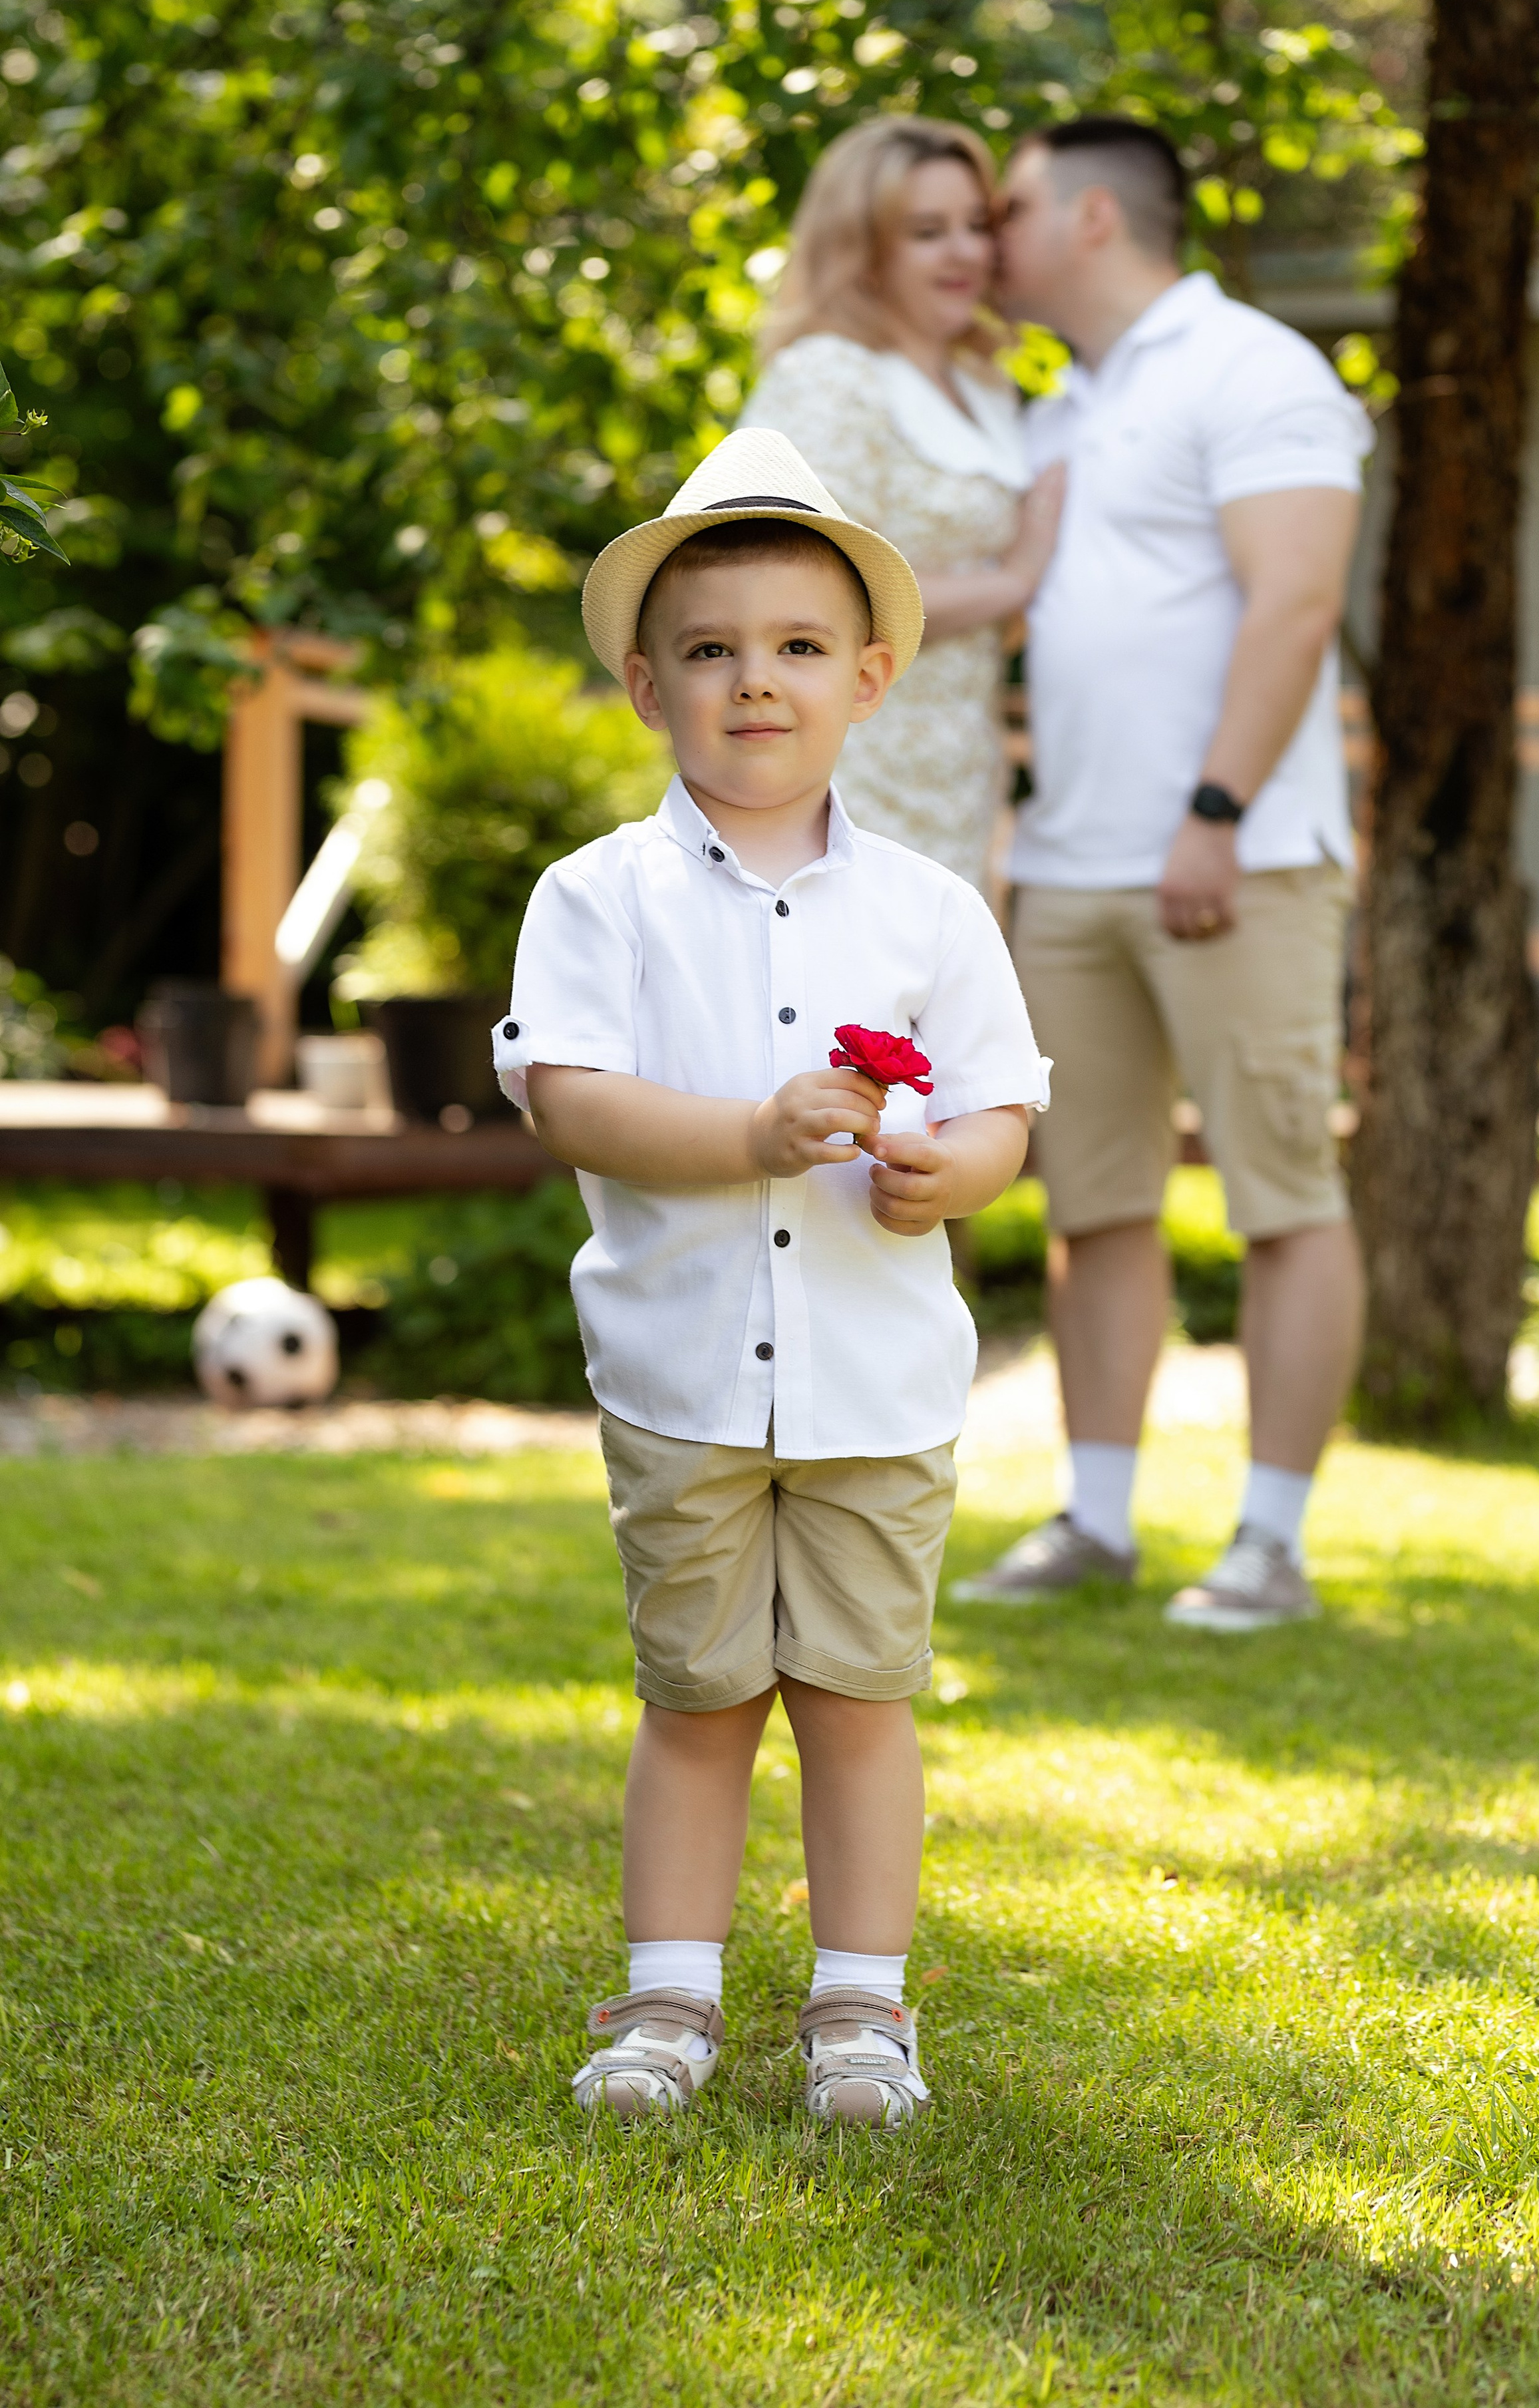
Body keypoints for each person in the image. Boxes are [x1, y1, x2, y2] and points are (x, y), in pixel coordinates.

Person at [494, 427, 1047, 2122]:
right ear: (645, 683)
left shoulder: (930, 909)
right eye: (711, 650)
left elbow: (999, 1109)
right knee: (698, 1696)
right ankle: (666, 2001)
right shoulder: (598, 897)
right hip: (683, 1378)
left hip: (874, 1384)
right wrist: (749, 1132)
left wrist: (945, 1176)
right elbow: (568, 1097)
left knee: (859, 1696)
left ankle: (860, 2011)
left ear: (867, 680)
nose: (755, 681)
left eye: (798, 646)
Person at [953, 115, 1372, 1629]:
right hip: (1069, 863)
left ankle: (1269, 1544)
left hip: (1234, 855)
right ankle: (1097, 1516)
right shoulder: (1056, 407)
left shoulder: (1254, 369)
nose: (982, 236)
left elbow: (1296, 601)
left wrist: (1214, 810)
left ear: (1088, 217)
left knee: (1280, 1195)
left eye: (1004, 208)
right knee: (1093, 1203)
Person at [739, 115, 1065, 891]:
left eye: (976, 225)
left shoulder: (984, 384)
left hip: (960, 779)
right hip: (841, 780)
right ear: (862, 247)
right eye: (927, 232)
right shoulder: (826, 377)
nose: (965, 252)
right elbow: (797, 599)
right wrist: (1014, 582)